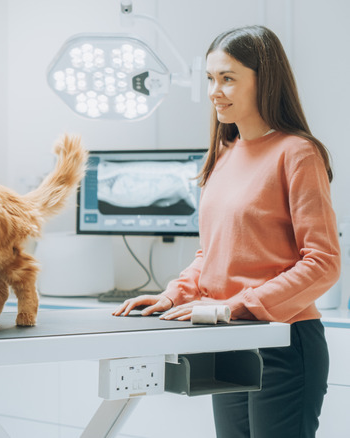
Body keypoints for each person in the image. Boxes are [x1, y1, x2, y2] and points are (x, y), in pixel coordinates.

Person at [112, 25, 340, 438]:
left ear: (264, 81)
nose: (214, 91)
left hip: (283, 342)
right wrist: (172, 294)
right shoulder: (223, 155)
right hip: (228, 340)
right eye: (210, 79)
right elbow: (212, 255)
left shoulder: (298, 153)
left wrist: (237, 305)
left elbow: (323, 263)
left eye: (228, 78)